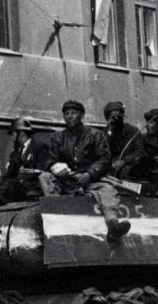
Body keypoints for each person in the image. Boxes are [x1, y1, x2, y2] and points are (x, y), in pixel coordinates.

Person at [39, 100, 131, 242]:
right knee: (45, 177)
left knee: (107, 189)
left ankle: (113, 225)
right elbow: (49, 159)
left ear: (81, 115)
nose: (69, 116)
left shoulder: (95, 135)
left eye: (73, 113)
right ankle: (57, 217)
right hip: (67, 179)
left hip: (90, 180)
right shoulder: (57, 137)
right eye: (66, 114)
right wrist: (56, 167)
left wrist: (89, 174)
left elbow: (104, 159)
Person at [102, 101, 142, 179]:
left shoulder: (133, 131)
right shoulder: (104, 133)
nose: (116, 120)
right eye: (113, 117)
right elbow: (102, 151)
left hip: (128, 164)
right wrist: (110, 131)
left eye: (119, 117)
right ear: (107, 118)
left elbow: (139, 151)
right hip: (111, 164)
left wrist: (124, 161)